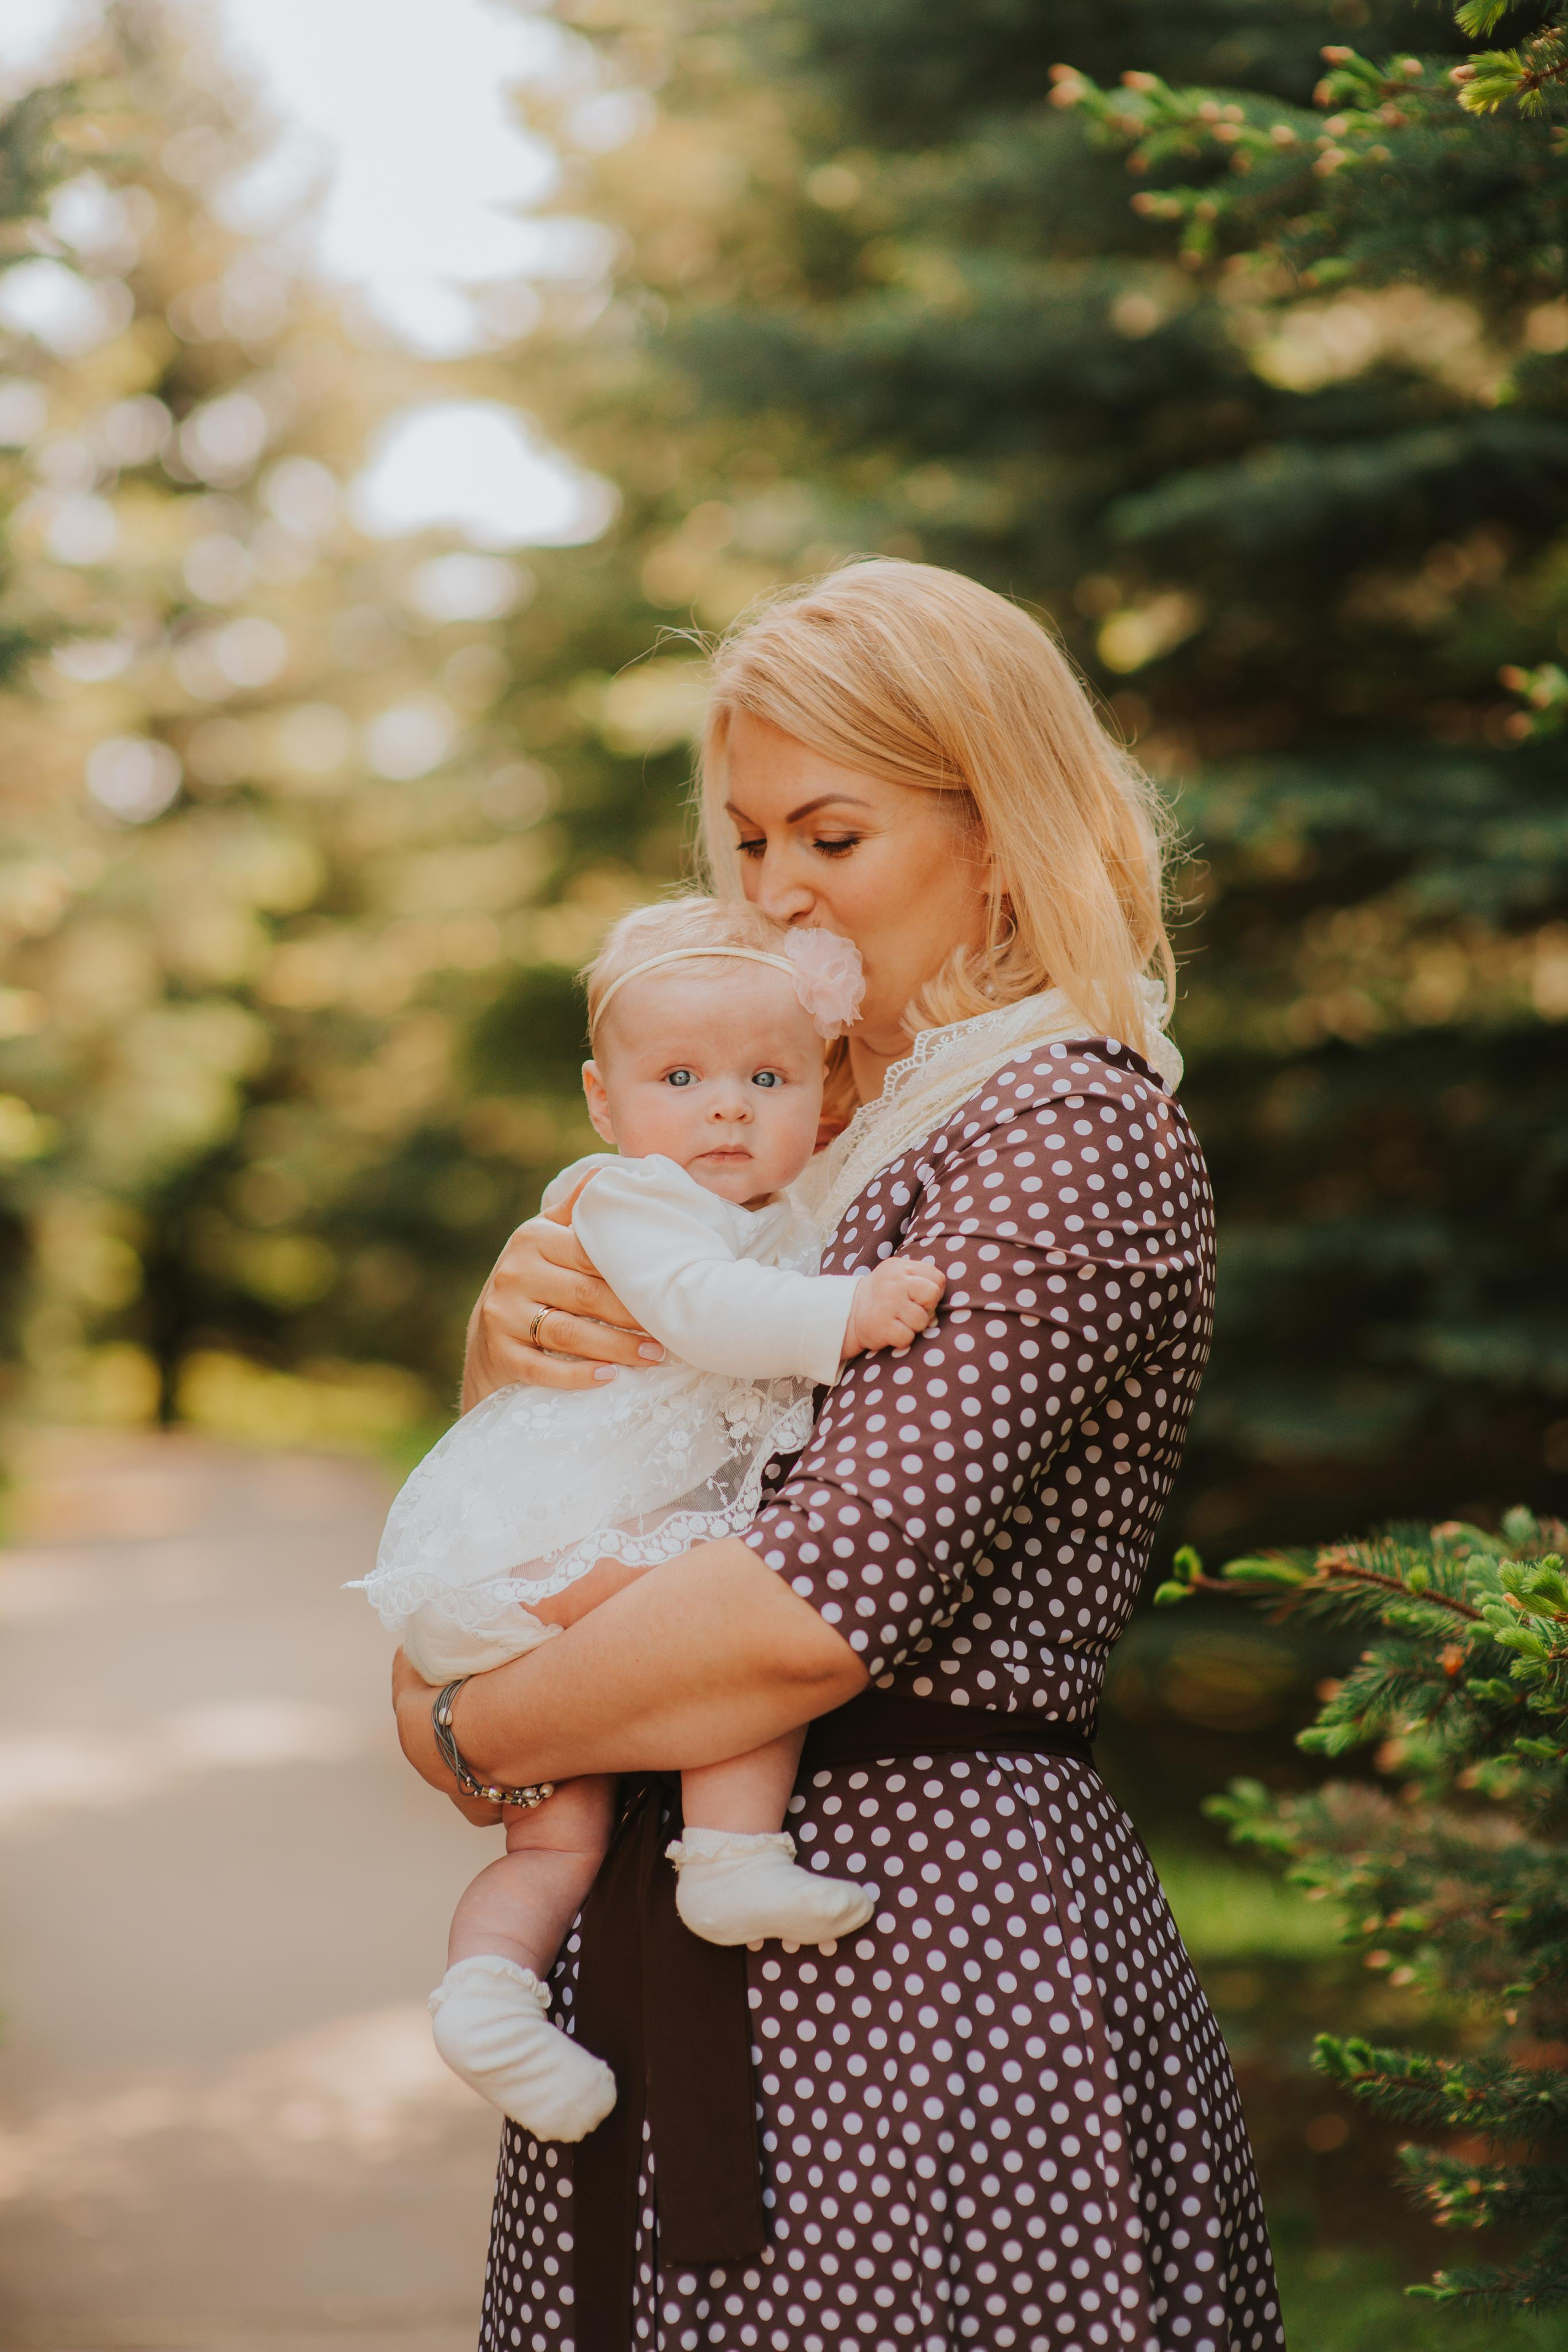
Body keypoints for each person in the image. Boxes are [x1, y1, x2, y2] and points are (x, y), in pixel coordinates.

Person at [395, 559, 1284, 2352]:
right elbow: (582, 1503)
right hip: (665, 1933)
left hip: (908, 1952)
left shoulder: (1061, 1129)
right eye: (748, 844)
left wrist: (467, 1725)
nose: (777, 894)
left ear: (999, 834)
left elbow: (805, 1615)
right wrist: (508, 1379)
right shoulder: (771, 1151)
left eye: (832, 836)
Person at [358, 896, 944, 2143]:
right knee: (728, 1611)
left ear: (822, 1096)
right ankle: (728, 1858)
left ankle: (487, 2000)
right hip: (536, 1558)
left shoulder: (771, 1211)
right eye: (680, 1078)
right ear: (602, 1100)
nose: (726, 1107)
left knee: (552, 1849)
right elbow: (701, 1312)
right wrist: (847, 1314)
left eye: (766, 1078)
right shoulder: (632, 1200)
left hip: (531, 1578)